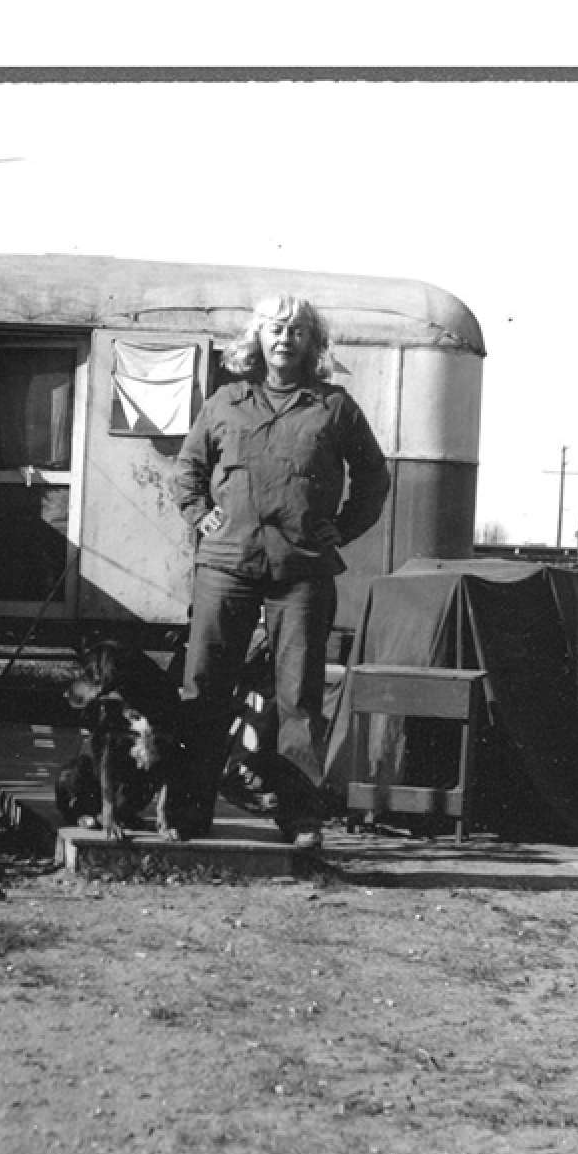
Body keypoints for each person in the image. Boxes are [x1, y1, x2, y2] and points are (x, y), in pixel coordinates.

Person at [171, 295, 391, 848]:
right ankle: (189, 812)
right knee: (205, 688)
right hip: (226, 564)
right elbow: (188, 471)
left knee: (299, 696)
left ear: (313, 344)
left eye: (298, 331)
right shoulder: (225, 402)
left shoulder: (335, 408)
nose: (285, 340)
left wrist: (341, 529)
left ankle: (300, 818)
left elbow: (373, 477)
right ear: (258, 339)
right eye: (275, 329)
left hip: (302, 572)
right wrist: (203, 516)